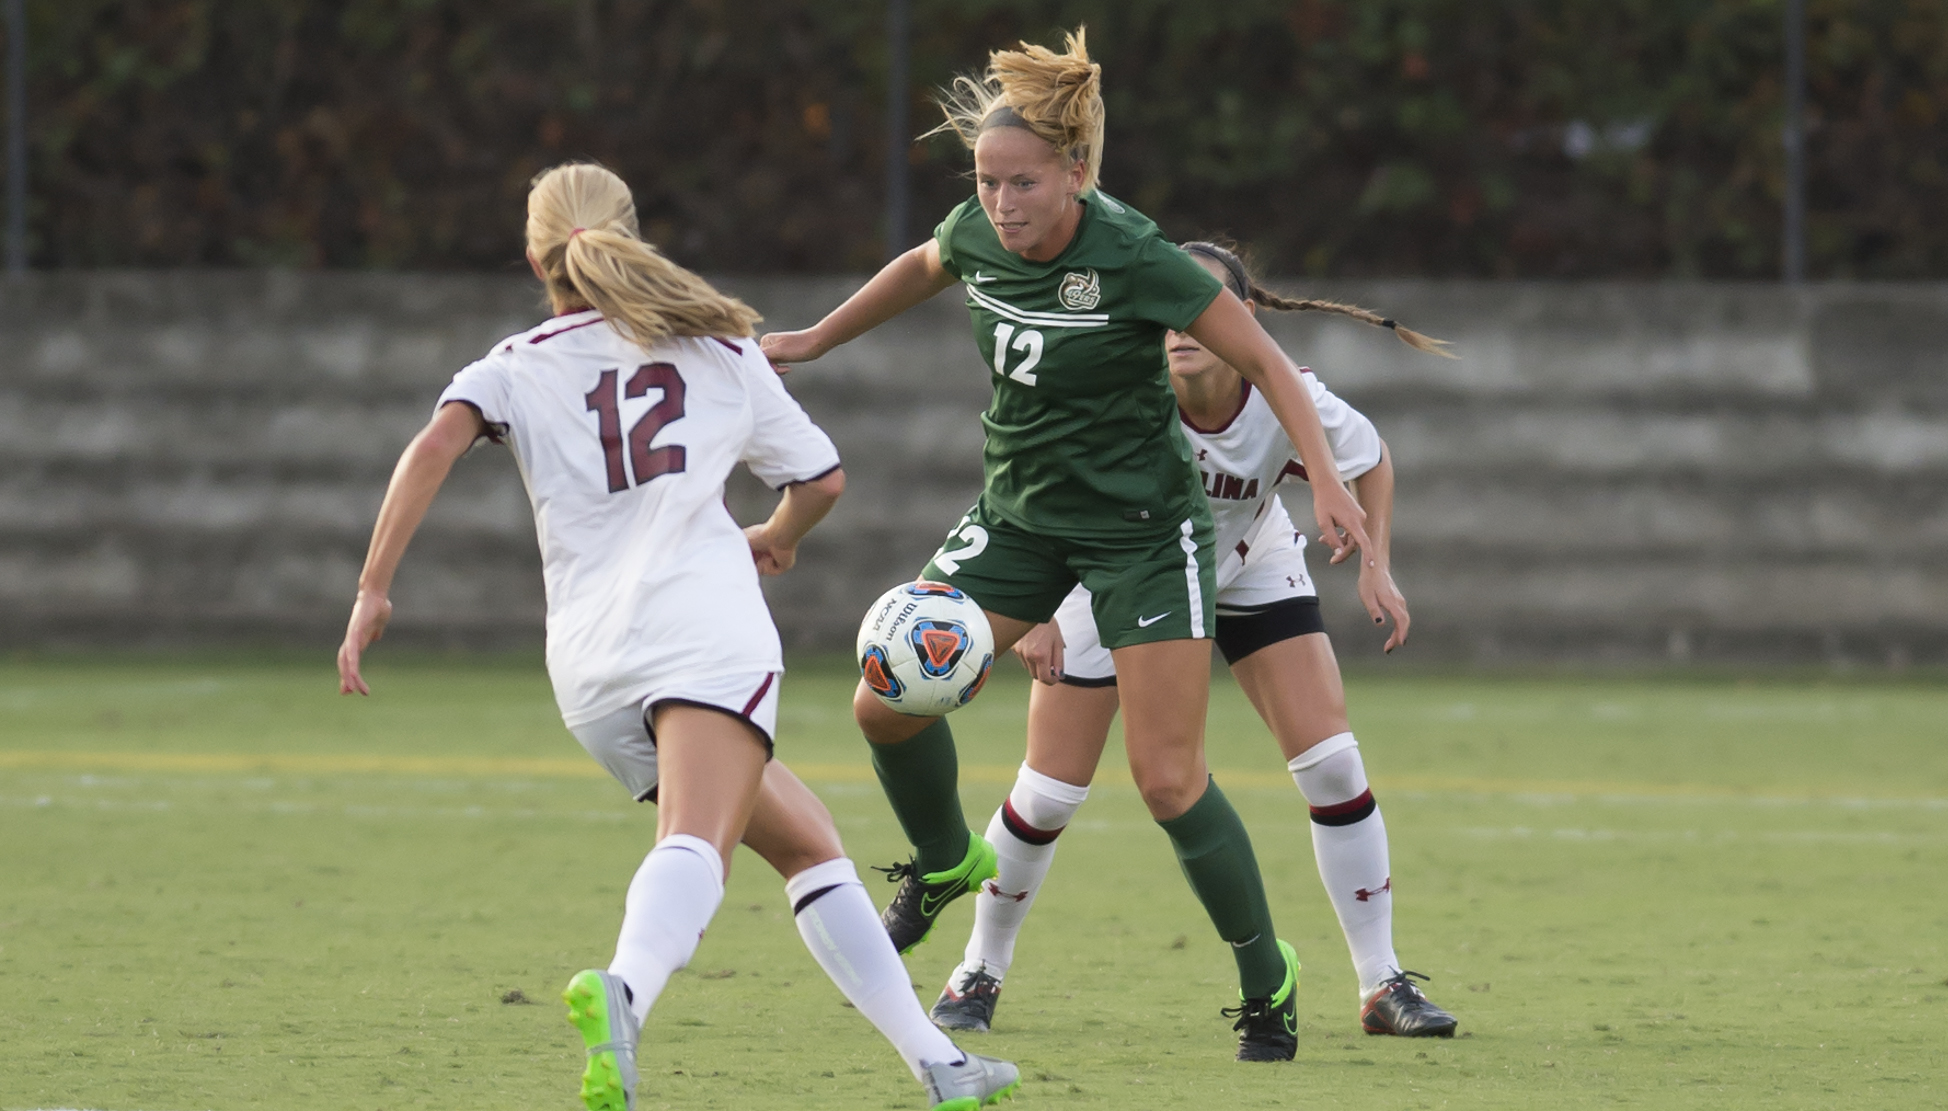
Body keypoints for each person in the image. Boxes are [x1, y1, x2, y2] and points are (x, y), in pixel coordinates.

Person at [334, 163, 1019, 1111]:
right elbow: (820, 480)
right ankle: (625, 988)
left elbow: (433, 445)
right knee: (696, 838)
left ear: (535, 256)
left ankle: (939, 1065)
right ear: (632, 235)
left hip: (588, 667)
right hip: (702, 635)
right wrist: (776, 539)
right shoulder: (720, 348)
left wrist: (373, 588)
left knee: (809, 845)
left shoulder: (515, 361)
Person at [759, 30, 1382, 1063]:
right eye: (987, 182)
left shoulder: (1132, 254)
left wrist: (1320, 474)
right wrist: (814, 340)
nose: (1000, 203)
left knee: (1167, 779)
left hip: (1144, 533)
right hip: (1016, 518)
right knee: (882, 699)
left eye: (1022, 183)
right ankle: (944, 854)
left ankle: (1264, 975)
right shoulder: (975, 230)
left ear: (1076, 176)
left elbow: (1266, 360)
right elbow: (922, 264)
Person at [930, 241, 1459, 1041]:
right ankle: (978, 971)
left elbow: (1372, 457)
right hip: (1112, 572)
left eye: (1198, 305)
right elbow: (1029, 489)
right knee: (1046, 791)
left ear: (1235, 318)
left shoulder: (1283, 393)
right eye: (1166, 306)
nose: (1180, 324)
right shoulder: (1115, 394)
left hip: (1248, 563)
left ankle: (1381, 982)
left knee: (1334, 763)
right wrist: (1037, 608)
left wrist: (1376, 566)